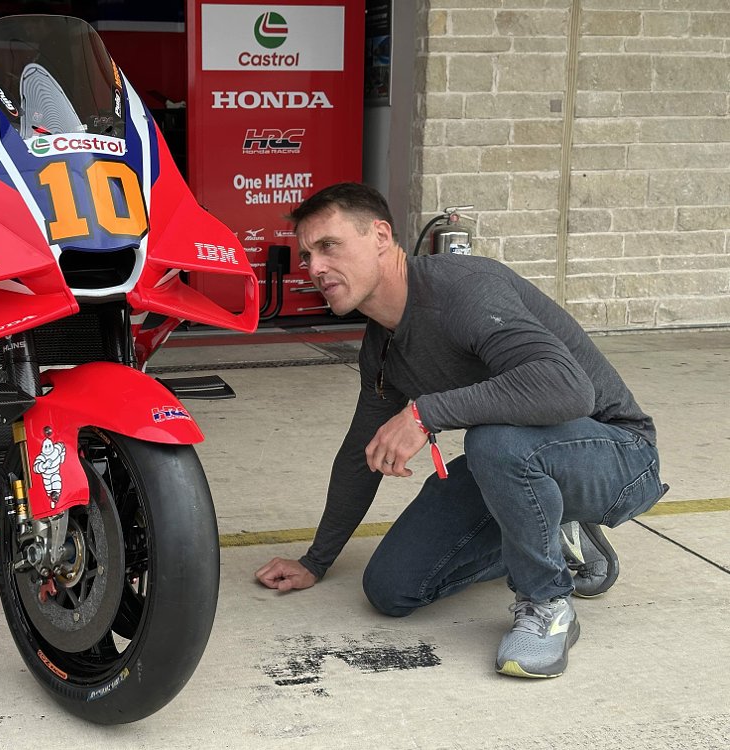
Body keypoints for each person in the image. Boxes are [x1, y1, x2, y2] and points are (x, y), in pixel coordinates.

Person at [255, 183, 665, 679]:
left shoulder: (462, 288)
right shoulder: (382, 345)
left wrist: (425, 414)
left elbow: (567, 389)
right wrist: (316, 561)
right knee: (392, 588)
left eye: (328, 246)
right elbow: (361, 455)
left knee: (493, 440)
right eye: (305, 254)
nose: (313, 267)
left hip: (616, 453)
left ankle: (547, 603)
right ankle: (548, 525)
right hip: (517, 459)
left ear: (381, 237)